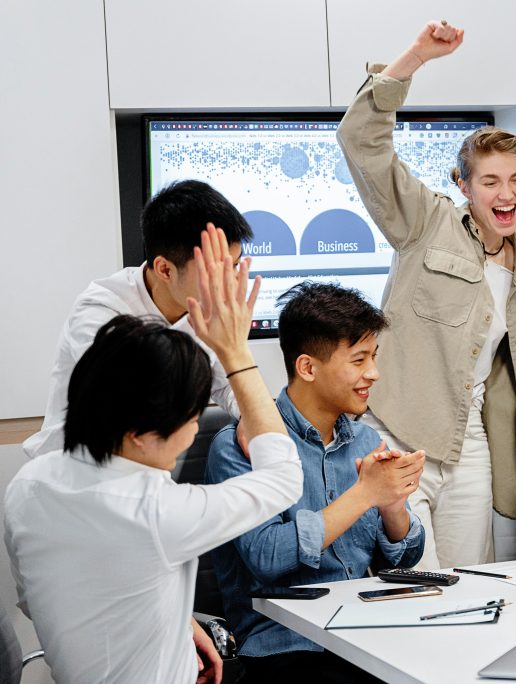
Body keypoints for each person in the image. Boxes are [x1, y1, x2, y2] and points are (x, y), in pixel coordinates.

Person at [337, 21, 516, 569]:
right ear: (464, 185)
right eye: (491, 181)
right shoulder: (424, 224)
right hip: (399, 428)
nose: (507, 193)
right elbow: (361, 140)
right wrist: (416, 58)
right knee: (417, 578)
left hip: (468, 440)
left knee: (470, 580)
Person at [4, 226, 303, 684]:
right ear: (144, 432)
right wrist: (236, 351)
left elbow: (52, 594)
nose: (196, 427)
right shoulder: (159, 512)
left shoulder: (28, 484)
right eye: (192, 415)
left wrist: (173, 621)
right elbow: (283, 477)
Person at [206, 282, 425, 682]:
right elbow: (267, 558)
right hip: (287, 646)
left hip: (366, 632)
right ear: (307, 367)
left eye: (373, 357)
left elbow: (404, 557)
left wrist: (393, 506)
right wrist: (363, 495)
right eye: (358, 360)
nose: (373, 374)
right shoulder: (238, 447)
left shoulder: (364, 439)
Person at [23, 179, 252, 459]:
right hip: (76, 475)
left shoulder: (211, 307)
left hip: (148, 473)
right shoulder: (101, 310)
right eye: (216, 271)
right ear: (165, 269)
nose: (230, 282)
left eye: (236, 265)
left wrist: (250, 417)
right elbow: (139, 404)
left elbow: (228, 383)